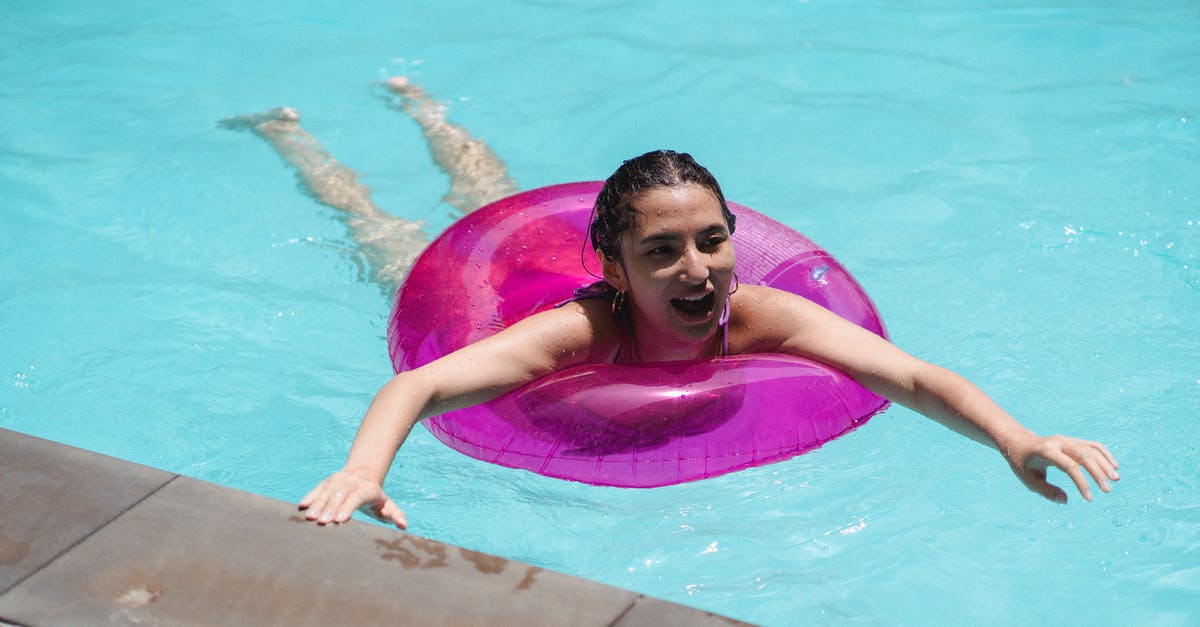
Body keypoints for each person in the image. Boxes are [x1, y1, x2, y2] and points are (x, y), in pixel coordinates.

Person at [224, 78, 1119, 531]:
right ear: (616, 268)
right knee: (377, 226)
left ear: (734, 237)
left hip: (560, 254)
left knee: (485, 181)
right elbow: (416, 387)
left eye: (711, 241)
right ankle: (290, 134)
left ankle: (425, 108)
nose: (696, 270)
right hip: (492, 284)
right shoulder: (575, 334)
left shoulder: (764, 316)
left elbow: (913, 377)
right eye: (662, 252)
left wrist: (1015, 437)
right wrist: (365, 470)